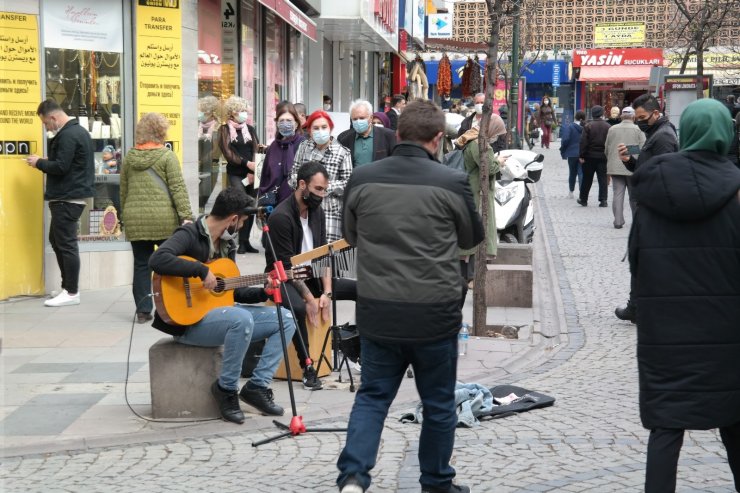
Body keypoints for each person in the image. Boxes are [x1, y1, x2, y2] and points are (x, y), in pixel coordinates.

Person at [336, 100, 484, 493]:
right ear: (438, 139)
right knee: (438, 406)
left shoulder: (363, 177)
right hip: (434, 313)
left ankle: (353, 476)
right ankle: (436, 483)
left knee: (372, 397)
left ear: (396, 134)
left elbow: (351, 237)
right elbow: (472, 238)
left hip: (379, 310)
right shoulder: (450, 182)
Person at [628, 98, 740, 493]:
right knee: (736, 425)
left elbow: (637, 266)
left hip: (666, 335)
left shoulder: (652, 193)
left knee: (666, 429)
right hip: (729, 336)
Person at [148, 187, 296, 423]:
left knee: (285, 319)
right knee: (241, 319)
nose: (241, 228)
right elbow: (157, 259)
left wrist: (263, 292)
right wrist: (201, 270)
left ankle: (256, 387)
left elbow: (230, 291)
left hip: (220, 317)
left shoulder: (227, 246)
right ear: (233, 218)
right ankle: (226, 390)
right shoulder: (190, 233)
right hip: (188, 323)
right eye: (242, 222)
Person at [265, 161, 356, 391]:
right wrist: (309, 299)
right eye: (318, 189)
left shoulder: (317, 212)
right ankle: (307, 368)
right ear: (302, 185)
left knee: (363, 289)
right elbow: (285, 269)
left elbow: (324, 254)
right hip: (284, 279)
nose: (322, 195)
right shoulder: (280, 217)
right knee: (297, 309)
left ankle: (362, 351)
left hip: (313, 276)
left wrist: (326, 292)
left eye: (324, 190)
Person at [120, 113, 194, 323]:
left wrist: (125, 216)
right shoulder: (167, 156)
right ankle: (169, 306)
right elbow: (178, 188)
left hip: (136, 219)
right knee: (169, 263)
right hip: (163, 219)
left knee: (141, 265)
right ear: (162, 131)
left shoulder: (129, 157)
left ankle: (143, 311)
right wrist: (186, 216)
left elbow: (123, 191)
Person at [614, 93, 679, 323]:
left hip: (653, 207)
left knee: (642, 258)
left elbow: (664, 174)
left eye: (642, 117)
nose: (640, 121)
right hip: (650, 205)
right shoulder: (656, 133)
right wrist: (629, 161)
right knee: (640, 258)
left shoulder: (663, 137)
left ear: (655, 113)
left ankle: (638, 308)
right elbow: (647, 168)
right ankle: (638, 306)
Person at [26, 99, 94, 307]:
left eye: (46, 123)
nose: (47, 127)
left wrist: (39, 163)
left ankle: (71, 292)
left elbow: (62, 167)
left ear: (54, 117)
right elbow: (68, 162)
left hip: (67, 197)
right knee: (57, 241)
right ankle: (67, 287)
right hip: (69, 196)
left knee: (65, 244)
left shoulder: (68, 135)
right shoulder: (76, 132)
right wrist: (47, 159)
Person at [455, 114, 506, 301]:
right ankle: (469, 278)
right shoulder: (477, 143)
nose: (496, 137)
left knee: (474, 236)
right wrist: (498, 163)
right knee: (476, 236)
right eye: (497, 132)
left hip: (476, 193)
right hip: (476, 195)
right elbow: (488, 168)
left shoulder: (475, 139)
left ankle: (468, 276)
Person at [289, 110, 353, 243]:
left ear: (330, 129)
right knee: (303, 248)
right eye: (316, 128)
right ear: (310, 131)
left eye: (324, 127)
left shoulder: (342, 152)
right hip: (303, 206)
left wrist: (322, 188)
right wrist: (305, 186)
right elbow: (293, 174)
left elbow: (348, 183)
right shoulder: (304, 147)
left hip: (330, 211)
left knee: (324, 252)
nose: (320, 131)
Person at [218, 96, 261, 254]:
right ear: (231, 112)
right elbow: (228, 152)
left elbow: (257, 149)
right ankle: (234, 241)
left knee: (251, 206)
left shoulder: (250, 129)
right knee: (241, 205)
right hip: (236, 173)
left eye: (245, 110)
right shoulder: (224, 130)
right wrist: (245, 164)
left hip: (253, 173)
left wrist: (252, 170)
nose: (244, 113)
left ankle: (246, 241)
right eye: (240, 110)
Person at [604, 106, 644, 229]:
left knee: (617, 194)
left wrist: (613, 158)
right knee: (634, 196)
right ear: (633, 116)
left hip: (615, 166)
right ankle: (636, 221)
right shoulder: (638, 129)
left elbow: (607, 148)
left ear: (621, 116)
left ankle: (618, 221)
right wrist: (630, 152)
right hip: (633, 166)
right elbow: (642, 149)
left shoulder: (612, 129)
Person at [258, 102, 305, 205]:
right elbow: (265, 177)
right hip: (271, 204)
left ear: (296, 123)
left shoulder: (304, 145)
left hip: (295, 204)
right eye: (281, 121)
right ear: (277, 124)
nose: (285, 123)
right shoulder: (273, 147)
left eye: (289, 120)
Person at [338, 100, 397, 167]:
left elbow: (395, 162)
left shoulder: (387, 135)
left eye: (362, 118)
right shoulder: (344, 139)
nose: (358, 121)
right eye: (355, 119)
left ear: (371, 118)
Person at [578, 105, 610, 207]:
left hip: (589, 156)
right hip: (603, 156)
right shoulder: (608, 126)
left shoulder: (588, 126)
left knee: (587, 179)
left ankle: (583, 199)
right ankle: (603, 200)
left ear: (592, 114)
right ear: (602, 114)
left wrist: (582, 155)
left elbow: (583, 142)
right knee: (603, 179)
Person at [559, 110, 585, 198]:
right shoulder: (586, 127)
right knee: (581, 173)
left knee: (572, 173)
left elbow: (565, 139)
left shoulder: (570, 127)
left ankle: (571, 192)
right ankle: (582, 193)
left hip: (572, 153)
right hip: (583, 153)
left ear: (575, 117)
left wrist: (563, 149)